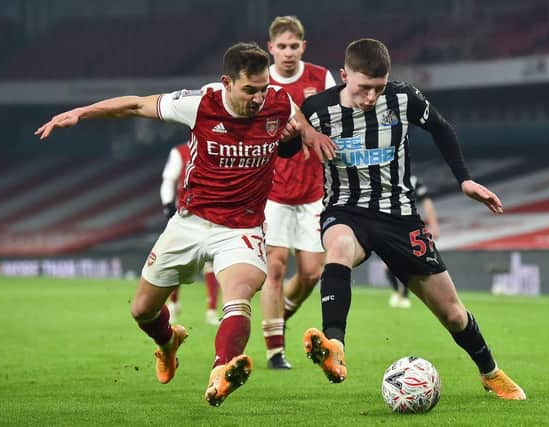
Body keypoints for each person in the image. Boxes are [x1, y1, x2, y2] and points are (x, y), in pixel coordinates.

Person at [35, 42, 336, 407]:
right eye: (250, 90)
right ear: (226, 82)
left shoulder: (277, 101)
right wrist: (82, 113)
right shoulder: (200, 104)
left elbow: (297, 119)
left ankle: (222, 371)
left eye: (262, 88)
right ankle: (167, 342)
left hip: (241, 229)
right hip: (189, 222)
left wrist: (310, 134)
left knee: (238, 297)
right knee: (142, 310)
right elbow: (135, 104)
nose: (259, 98)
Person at [299, 38, 526, 400]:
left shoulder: (403, 98)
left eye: (378, 88)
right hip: (346, 210)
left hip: (400, 218)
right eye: (363, 88)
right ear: (343, 76)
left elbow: (441, 127)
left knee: (452, 313)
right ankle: (335, 345)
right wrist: (298, 133)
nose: (371, 97)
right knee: (338, 246)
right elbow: (283, 147)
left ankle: (490, 371)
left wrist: (464, 178)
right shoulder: (315, 110)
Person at [260, 15, 337, 370]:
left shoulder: (321, 79)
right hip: (272, 191)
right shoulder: (260, 81)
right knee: (274, 267)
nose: (288, 53)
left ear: (303, 47)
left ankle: (281, 317)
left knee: (310, 273)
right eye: (282, 47)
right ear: (270, 48)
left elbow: (336, 124)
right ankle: (275, 350)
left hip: (313, 191)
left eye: (294, 46)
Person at [161, 142, 220, 325]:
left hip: (210, 214)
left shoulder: (217, 149)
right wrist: (168, 206)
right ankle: (174, 304)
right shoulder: (180, 152)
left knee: (210, 262)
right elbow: (169, 180)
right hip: (185, 216)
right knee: (177, 261)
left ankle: (211, 310)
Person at [386, 175, 439, 309]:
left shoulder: (412, 180)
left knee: (402, 264)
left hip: (408, 226)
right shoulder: (384, 176)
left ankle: (403, 296)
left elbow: (427, 202)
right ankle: (400, 294)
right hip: (389, 226)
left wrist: (433, 224)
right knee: (388, 266)